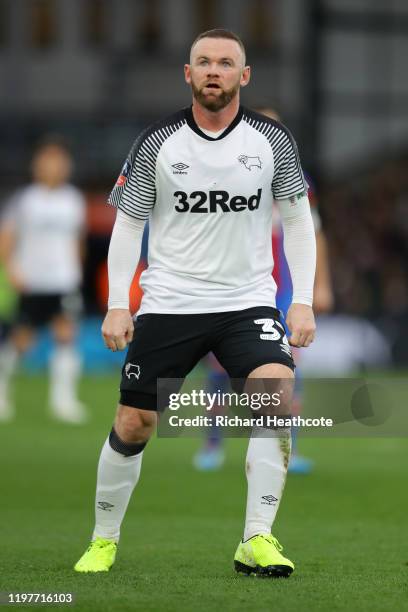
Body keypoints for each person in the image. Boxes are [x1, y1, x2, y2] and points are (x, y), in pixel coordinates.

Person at [74, 29, 316, 577]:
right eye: (203, 62)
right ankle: (103, 539)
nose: (214, 71)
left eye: (225, 63)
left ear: (244, 76)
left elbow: (299, 221)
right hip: (169, 303)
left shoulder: (271, 140)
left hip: (246, 302)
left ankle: (257, 538)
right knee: (135, 422)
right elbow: (128, 223)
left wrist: (300, 301)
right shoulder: (157, 142)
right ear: (188, 74)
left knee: (274, 393)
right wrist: (118, 303)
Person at [193, 107, 333, 474]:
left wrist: (320, 284)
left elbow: (314, 233)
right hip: (233, 286)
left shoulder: (296, 180)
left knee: (286, 368)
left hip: (280, 288)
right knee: (221, 367)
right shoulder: (225, 174)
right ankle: (212, 443)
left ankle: (287, 447)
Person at [0, 138, 87, 424]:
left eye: (59, 161)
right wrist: (12, 269)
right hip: (32, 280)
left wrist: (76, 272)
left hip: (63, 281)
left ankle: (63, 401)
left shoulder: (73, 200)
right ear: (37, 166)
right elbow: (7, 237)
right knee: (21, 340)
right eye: (48, 161)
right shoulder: (26, 200)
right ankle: (2, 394)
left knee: (66, 336)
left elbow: (78, 240)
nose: (54, 167)